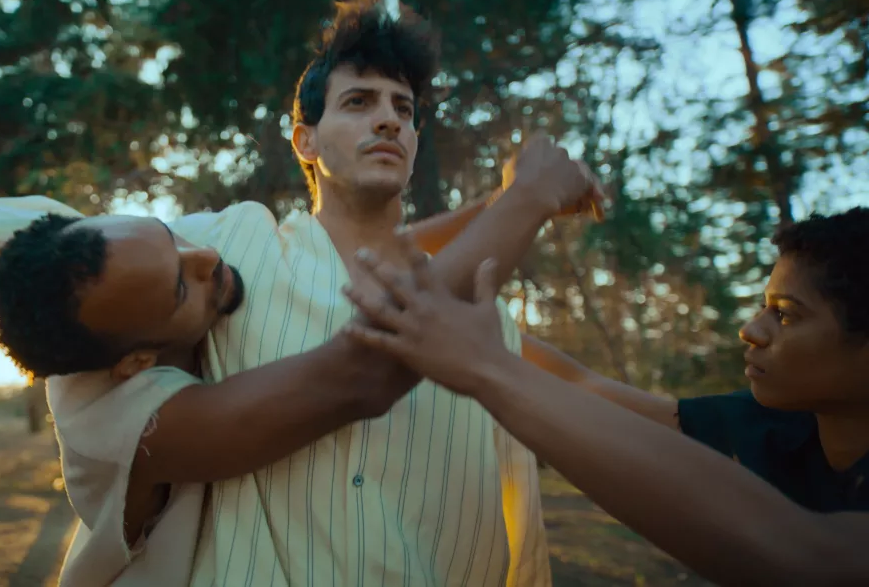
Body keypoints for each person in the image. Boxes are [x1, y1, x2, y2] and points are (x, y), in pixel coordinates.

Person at [0, 0, 602, 587]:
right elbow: (8, 231)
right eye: (359, 102)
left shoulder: (474, 300)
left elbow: (590, 397)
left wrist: (502, 203)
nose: (389, 118)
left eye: (404, 107)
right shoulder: (228, 244)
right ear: (303, 139)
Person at [337, 209, 869, 586]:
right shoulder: (776, 426)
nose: (751, 330)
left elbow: (812, 560)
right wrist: (477, 334)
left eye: (786, 314)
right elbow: (587, 389)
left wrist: (484, 367)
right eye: (763, 305)